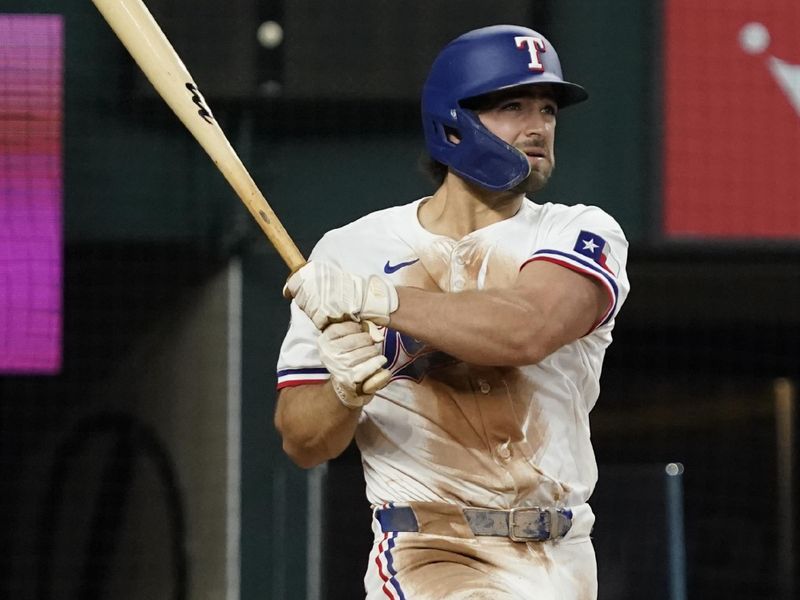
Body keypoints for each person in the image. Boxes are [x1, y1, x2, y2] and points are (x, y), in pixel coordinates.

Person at [275, 24, 630, 600]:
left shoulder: (577, 230)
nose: (538, 125)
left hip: (561, 556)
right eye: (512, 105)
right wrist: (342, 394)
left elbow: (526, 330)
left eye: (548, 109)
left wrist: (380, 301)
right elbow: (303, 442)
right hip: (427, 549)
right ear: (451, 120)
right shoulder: (351, 250)